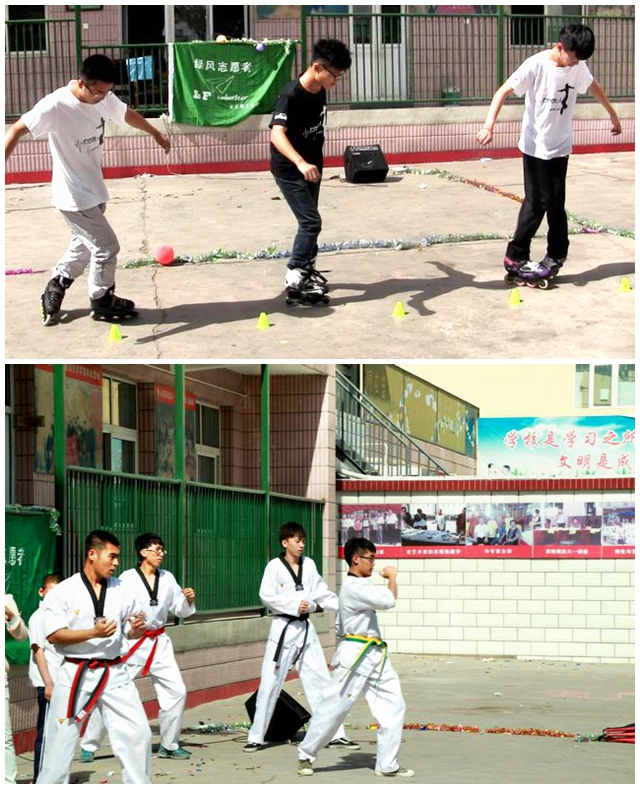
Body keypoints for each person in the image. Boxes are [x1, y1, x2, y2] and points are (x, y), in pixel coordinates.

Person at [4, 54, 170, 326]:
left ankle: (56, 284)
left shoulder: (103, 97)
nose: (103, 98)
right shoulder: (55, 106)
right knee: (106, 246)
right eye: (98, 93)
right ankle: (101, 299)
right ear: (82, 84)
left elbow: (126, 114)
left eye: (108, 92)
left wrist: (154, 132)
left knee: (83, 247)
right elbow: (15, 130)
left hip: (94, 191)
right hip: (72, 196)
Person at [477, 24, 621, 280]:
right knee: (537, 203)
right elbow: (502, 92)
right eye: (573, 58)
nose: (575, 64)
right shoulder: (536, 65)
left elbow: (594, 87)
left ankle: (557, 254)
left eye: (579, 60)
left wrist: (613, 114)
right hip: (535, 146)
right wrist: (489, 126)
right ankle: (516, 255)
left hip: (560, 146)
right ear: (560, 47)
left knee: (556, 204)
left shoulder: (577, 66)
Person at [36, 530, 152, 784]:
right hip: (75, 672)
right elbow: (54, 635)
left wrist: (135, 629)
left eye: (118, 557)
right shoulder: (64, 591)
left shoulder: (121, 589)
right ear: (92, 554)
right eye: (112, 556)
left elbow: (131, 627)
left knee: (139, 734)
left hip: (114, 672)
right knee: (58, 744)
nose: (116, 563)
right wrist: (93, 633)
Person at [296, 538, 414, 778]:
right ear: (356, 559)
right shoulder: (353, 587)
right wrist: (392, 576)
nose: (374, 563)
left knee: (394, 705)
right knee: (336, 706)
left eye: (375, 558)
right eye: (370, 558)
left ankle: (387, 763)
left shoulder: (362, 586)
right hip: (355, 655)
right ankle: (306, 753)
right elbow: (389, 600)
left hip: (375, 654)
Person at [80, 533, 196, 762]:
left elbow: (179, 608)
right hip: (133, 641)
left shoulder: (168, 578)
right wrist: (129, 626)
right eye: (156, 549)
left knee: (177, 691)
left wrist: (188, 600)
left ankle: (169, 744)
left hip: (159, 642)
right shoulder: (126, 579)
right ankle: (89, 745)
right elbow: (117, 607)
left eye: (162, 550)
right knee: (112, 691)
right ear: (143, 552)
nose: (161, 554)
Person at [244, 522, 358, 753]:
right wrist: (295, 605)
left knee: (322, 682)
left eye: (303, 541)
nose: (301, 545)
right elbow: (266, 596)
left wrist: (344, 606)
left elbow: (321, 593)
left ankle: (335, 734)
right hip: (283, 629)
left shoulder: (310, 565)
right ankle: (256, 736)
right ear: (285, 542)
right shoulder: (274, 567)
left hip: (305, 630)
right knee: (270, 683)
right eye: (297, 541)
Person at [270, 38, 351, 306]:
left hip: (312, 167)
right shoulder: (290, 95)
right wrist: (300, 162)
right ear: (317, 68)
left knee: (309, 222)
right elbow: (276, 134)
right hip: (290, 169)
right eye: (335, 75)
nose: (336, 81)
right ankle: (294, 275)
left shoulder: (320, 89)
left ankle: (306, 271)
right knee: (311, 222)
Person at [27, 574, 65, 782]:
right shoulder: (38, 617)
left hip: (62, 681)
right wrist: (48, 683)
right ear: (41, 592)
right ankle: (39, 779)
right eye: (51, 593)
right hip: (48, 683)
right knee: (46, 734)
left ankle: (55, 777)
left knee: (60, 733)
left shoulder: (61, 616)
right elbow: (38, 651)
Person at [5, 594, 29, 784]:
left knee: (3, 736)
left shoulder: (5, 599)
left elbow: (22, 635)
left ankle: (7, 783)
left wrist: (11, 616)